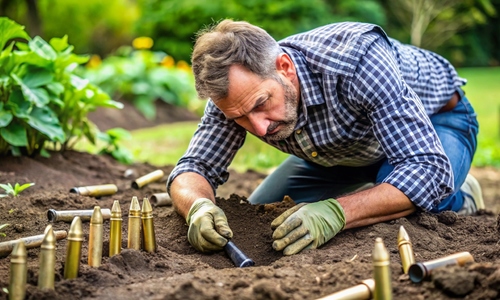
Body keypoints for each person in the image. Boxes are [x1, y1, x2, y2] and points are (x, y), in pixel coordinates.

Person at [167, 19, 484, 256]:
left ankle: (461, 194)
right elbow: (193, 167)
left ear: (285, 67)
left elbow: (424, 168)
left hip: (436, 122)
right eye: (239, 118)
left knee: (421, 202)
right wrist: (198, 207)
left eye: (262, 104)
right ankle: (375, 186)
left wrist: (338, 212)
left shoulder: (357, 60)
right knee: (261, 216)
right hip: (344, 150)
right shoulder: (236, 97)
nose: (259, 128)